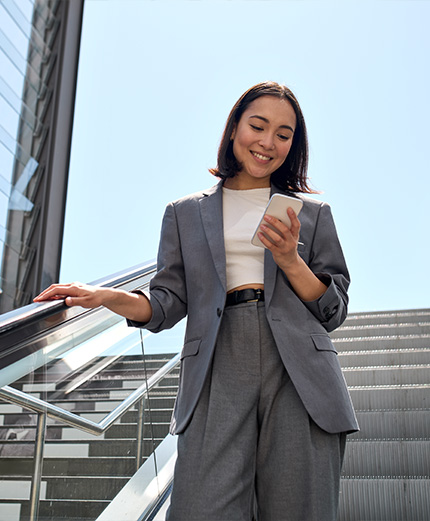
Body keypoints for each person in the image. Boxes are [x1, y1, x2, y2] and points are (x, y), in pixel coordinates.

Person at [34, 81, 358, 521]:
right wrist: (104, 296)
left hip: (300, 371)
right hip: (215, 364)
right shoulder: (185, 213)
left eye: (284, 134)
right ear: (233, 130)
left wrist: (290, 261)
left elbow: (334, 310)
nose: (267, 142)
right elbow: (167, 302)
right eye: (257, 126)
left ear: (293, 145)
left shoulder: (312, 214)